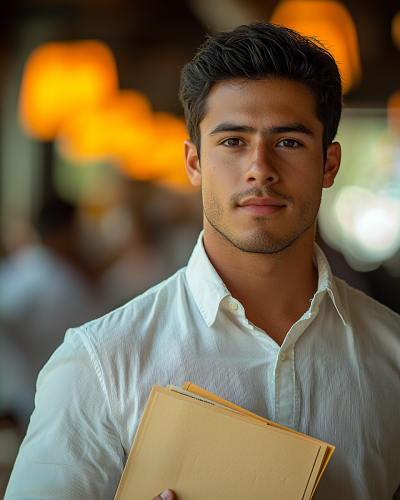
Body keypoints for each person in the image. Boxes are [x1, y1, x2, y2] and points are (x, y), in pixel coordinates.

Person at [5, 22, 400, 500]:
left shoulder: (391, 354)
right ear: (193, 162)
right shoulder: (99, 364)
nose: (260, 168)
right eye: (233, 141)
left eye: (289, 142)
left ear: (329, 164)